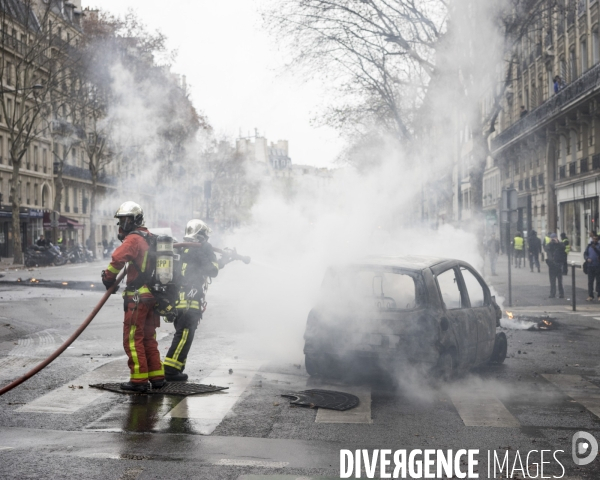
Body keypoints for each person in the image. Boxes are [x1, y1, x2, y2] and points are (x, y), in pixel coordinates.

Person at [101, 201, 165, 392]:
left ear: (135, 219)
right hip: (152, 296)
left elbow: (117, 258)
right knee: (148, 338)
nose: (122, 224)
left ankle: (138, 380)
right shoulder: (150, 237)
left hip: (138, 297)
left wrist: (108, 277)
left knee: (132, 338)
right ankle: (157, 376)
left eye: (125, 220)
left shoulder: (134, 239)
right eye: (120, 220)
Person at [163, 219, 220, 382]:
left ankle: (177, 367)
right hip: (189, 299)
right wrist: (208, 252)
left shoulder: (184, 248)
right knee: (184, 334)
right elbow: (212, 270)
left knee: (183, 333)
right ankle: (171, 370)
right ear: (202, 235)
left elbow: (201, 267)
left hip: (178, 299)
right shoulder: (200, 249)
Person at [546, 233, 566, 299]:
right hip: (551, 265)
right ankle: (552, 293)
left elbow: (563, 248)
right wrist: (551, 243)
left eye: (554, 238)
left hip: (559, 264)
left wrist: (557, 243)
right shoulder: (549, 245)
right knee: (552, 281)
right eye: (552, 238)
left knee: (560, 281)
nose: (553, 239)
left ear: (557, 238)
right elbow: (547, 249)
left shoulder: (560, 244)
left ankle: (561, 294)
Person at [584, 232, 600, 301]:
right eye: (593, 239)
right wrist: (587, 259)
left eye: (596, 239)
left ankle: (599, 295)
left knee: (599, 281)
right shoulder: (589, 246)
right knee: (590, 281)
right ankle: (590, 295)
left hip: (598, 266)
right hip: (590, 266)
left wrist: (595, 248)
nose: (594, 240)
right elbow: (585, 254)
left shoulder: (599, 246)